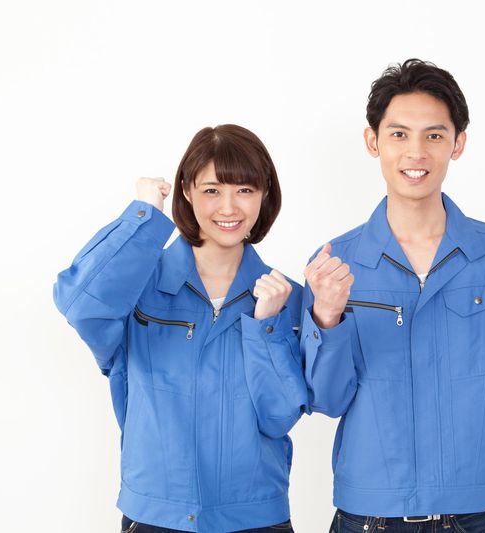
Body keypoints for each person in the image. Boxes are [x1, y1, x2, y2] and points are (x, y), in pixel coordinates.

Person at [301, 59, 485, 533]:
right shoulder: (336, 261)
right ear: (373, 142)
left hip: (472, 515)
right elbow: (325, 400)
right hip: (367, 517)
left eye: (434, 135)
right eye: (399, 134)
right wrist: (326, 319)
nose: (416, 152)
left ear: (458, 144)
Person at [53, 125, 306, 533]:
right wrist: (143, 218)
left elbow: (278, 417)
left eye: (244, 190)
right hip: (156, 516)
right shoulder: (138, 286)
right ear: (187, 190)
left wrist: (266, 328)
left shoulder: (285, 299)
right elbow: (81, 306)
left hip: (256, 517)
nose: (229, 207)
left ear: (264, 194)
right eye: (212, 190)